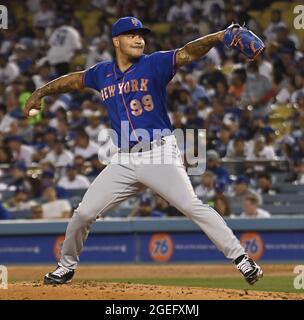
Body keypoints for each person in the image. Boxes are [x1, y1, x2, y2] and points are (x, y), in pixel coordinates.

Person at [24, 17, 263, 285]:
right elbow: (74, 80)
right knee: (83, 214)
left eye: (141, 35)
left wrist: (219, 36)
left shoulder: (154, 63)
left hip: (159, 153)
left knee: (191, 205)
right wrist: (41, 92)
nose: (139, 39)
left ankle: (242, 259)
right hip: (124, 158)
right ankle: (65, 267)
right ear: (116, 41)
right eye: (131, 35)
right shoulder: (101, 73)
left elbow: (187, 52)